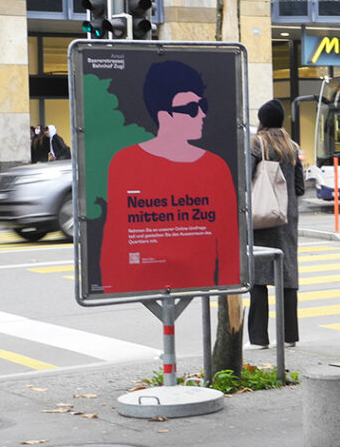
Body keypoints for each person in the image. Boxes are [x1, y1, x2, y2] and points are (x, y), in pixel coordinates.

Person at [100, 61, 239, 294]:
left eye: (202, 104)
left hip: (197, 281)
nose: (202, 114)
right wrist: (111, 287)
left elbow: (229, 247)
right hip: (144, 279)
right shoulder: (124, 162)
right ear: (164, 114)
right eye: (192, 108)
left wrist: (227, 286)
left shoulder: (216, 167)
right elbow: (115, 239)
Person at [248, 99, 305, 349]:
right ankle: (289, 336)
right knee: (287, 277)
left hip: (261, 218)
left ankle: (259, 339)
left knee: (258, 278)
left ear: (261, 119)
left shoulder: (256, 143)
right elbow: (300, 187)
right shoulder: (292, 147)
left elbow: (246, 179)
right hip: (286, 219)